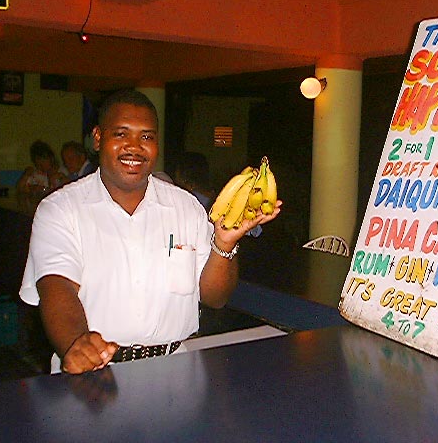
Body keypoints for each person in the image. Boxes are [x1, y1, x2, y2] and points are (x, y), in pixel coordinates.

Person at [19, 89, 281, 374]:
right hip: (96, 372)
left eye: (147, 137)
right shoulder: (60, 209)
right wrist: (77, 343)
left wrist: (225, 243)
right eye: (121, 134)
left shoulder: (186, 207)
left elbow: (215, 297)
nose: (135, 147)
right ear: (97, 138)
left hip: (176, 371)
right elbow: (57, 286)